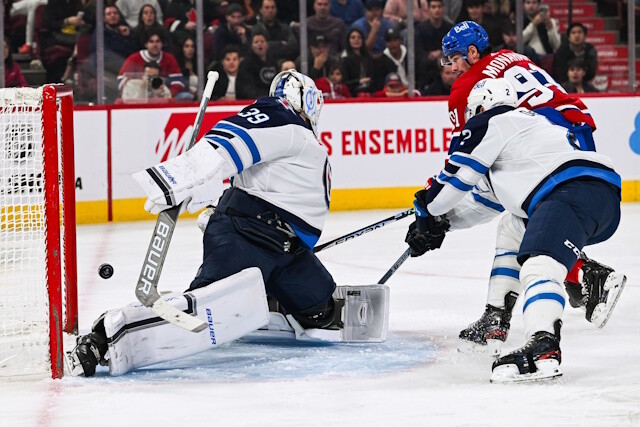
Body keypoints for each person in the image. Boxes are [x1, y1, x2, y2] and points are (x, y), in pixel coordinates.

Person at [67, 70, 389, 377]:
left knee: (323, 313)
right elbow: (232, 136)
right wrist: (183, 174)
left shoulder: (298, 136)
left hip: (288, 253)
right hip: (248, 237)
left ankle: (262, 301)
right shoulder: (280, 114)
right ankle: (104, 338)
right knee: (201, 315)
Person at [404, 78, 621, 383]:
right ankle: (496, 317)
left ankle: (544, 346)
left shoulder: (493, 120)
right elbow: (481, 203)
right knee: (511, 226)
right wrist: (440, 225)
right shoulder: (523, 133)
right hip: (591, 193)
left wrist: (426, 208)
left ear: (479, 106)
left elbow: (448, 187)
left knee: (539, 264)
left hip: (571, 191)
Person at [440, 21, 626, 352]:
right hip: (573, 132)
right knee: (528, 219)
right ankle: (578, 278)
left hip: (540, 150)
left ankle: (583, 278)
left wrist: (438, 209)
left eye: (453, 58)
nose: (450, 67)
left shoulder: (467, 87)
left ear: (471, 53)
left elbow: (464, 165)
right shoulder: (512, 57)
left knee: (527, 213)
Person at [118, 29, 185, 98]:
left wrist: (166, 94)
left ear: (162, 44)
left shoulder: (169, 58)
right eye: (151, 42)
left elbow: (178, 82)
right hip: (139, 98)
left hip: (163, 97)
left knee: (184, 96)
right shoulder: (134, 59)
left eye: (158, 41)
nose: (155, 45)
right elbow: (121, 81)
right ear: (146, 44)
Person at [415, 0, 453, 89]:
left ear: (443, 9)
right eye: (433, 7)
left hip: (446, 63)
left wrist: (440, 55)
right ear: (428, 9)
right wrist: (429, 57)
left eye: (439, 7)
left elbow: (454, 51)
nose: (437, 10)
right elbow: (418, 54)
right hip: (426, 68)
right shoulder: (420, 29)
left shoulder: (449, 28)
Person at [236, 31, 278, 99]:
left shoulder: (273, 62)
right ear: (252, 46)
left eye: (262, 41)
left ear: (267, 45)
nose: (259, 44)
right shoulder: (246, 64)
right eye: (256, 42)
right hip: (252, 101)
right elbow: (245, 88)